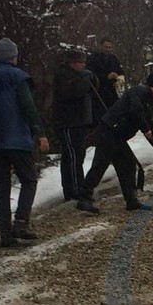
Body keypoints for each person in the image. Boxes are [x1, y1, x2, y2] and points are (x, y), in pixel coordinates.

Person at [0, 38, 50, 247]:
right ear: (13, 56)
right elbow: (27, 107)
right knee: (29, 180)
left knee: (2, 187)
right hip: (16, 139)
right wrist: (40, 133)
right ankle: (21, 222)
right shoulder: (18, 77)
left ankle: (5, 232)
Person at [76, 74, 153, 214]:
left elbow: (150, 130)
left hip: (118, 136)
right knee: (100, 164)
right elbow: (135, 111)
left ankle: (131, 200)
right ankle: (84, 198)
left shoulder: (149, 102)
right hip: (109, 130)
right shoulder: (138, 92)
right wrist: (145, 129)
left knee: (127, 165)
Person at [52, 49, 96, 201]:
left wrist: (91, 78)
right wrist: (83, 80)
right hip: (68, 122)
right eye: (80, 62)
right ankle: (74, 189)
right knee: (72, 156)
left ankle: (77, 187)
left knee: (78, 154)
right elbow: (73, 92)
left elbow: (92, 88)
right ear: (72, 63)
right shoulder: (63, 75)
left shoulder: (76, 75)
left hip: (78, 121)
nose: (83, 65)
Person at [86, 36, 124, 121]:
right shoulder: (93, 58)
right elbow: (91, 75)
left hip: (112, 93)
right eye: (106, 47)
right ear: (100, 46)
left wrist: (119, 79)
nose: (108, 49)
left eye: (110, 48)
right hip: (98, 94)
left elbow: (120, 72)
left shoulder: (113, 59)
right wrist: (106, 77)